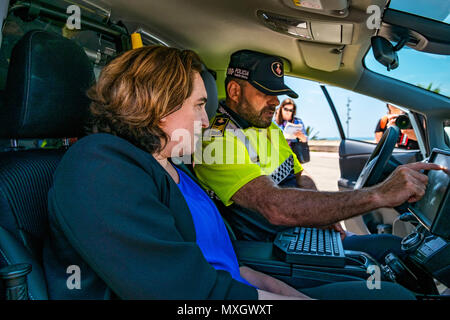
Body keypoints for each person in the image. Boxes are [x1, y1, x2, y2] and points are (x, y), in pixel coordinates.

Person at [42, 45, 414, 300]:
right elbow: (189, 293)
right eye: (199, 105)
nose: (206, 120)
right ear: (158, 105)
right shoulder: (100, 167)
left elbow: (229, 269)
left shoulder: (169, 167)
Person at [193, 49, 444, 265]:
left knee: (395, 247)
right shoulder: (216, 142)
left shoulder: (268, 127)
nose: (275, 102)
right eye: (265, 92)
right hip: (274, 254)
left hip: (301, 235)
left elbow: (299, 177)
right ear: (235, 91)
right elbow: (274, 206)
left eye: (277, 93)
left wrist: (320, 214)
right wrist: (379, 194)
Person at [274, 98, 309, 163]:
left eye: (290, 110)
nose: (288, 112)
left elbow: (305, 139)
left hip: (294, 155)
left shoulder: (298, 122)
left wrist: (302, 137)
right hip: (279, 156)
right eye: (285, 109)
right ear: (281, 108)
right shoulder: (275, 123)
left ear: (293, 111)